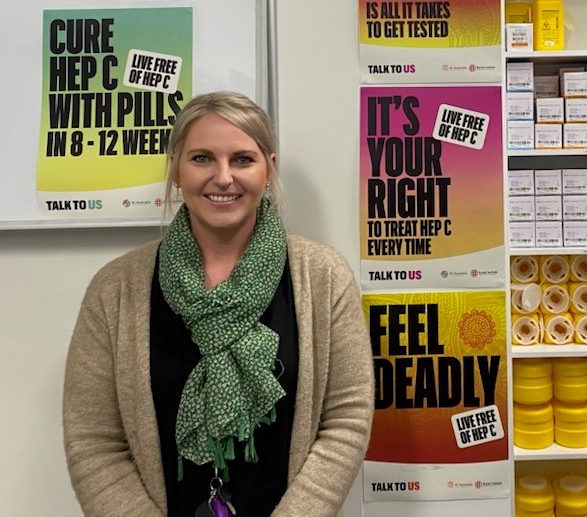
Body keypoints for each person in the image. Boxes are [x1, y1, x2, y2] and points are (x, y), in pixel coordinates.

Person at [63, 91, 374, 516]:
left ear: (269, 169)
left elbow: (346, 419)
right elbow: (94, 439)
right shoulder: (115, 288)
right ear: (176, 169)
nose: (223, 177)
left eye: (243, 159)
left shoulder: (322, 277)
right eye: (202, 158)